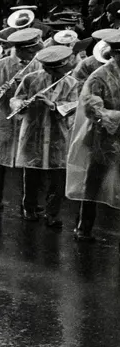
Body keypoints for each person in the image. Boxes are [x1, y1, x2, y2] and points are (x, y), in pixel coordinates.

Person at [13, 43, 79, 228]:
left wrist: (53, 105)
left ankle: (52, 213)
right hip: (34, 132)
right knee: (31, 173)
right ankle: (29, 207)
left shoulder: (71, 83)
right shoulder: (31, 79)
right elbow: (16, 99)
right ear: (47, 68)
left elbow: (74, 104)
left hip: (58, 133)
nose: (59, 74)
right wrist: (22, 105)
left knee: (58, 177)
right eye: (55, 70)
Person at [67, 30, 120, 241]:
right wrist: (114, 117)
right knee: (94, 181)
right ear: (115, 54)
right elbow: (91, 106)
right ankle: (84, 226)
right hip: (103, 137)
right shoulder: (99, 76)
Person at [0, 27, 41, 210]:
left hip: (28, 118)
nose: (33, 54)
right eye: (29, 50)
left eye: (34, 50)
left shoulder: (38, 66)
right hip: (4, 116)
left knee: (29, 160)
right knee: (1, 160)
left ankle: (28, 203)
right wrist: (6, 89)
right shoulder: (0, 65)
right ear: (19, 49)